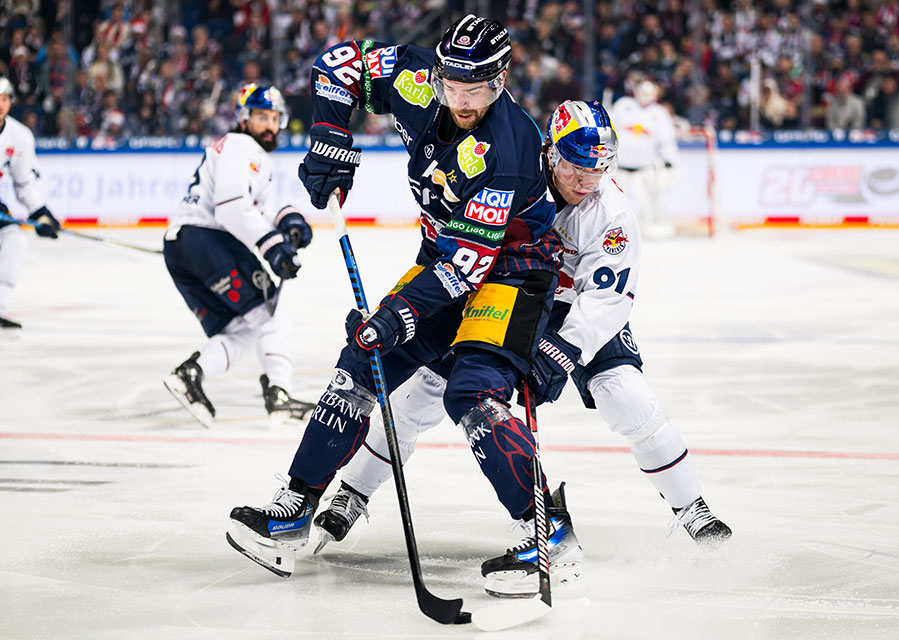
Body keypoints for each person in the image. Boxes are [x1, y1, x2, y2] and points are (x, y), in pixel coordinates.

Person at [312, 100, 732, 597]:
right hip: (499, 296)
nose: (586, 179)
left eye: (598, 168)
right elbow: (456, 241)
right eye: (576, 165)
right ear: (551, 153)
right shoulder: (511, 170)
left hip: (573, 313)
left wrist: (563, 348)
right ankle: (351, 493)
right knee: (421, 393)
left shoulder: (612, 214)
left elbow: (607, 299)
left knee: (625, 394)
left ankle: (692, 507)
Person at [227, 16, 578, 595]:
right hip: (444, 252)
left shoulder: (509, 149)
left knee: (473, 393)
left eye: (478, 91)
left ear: (501, 81)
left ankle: (551, 535)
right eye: (453, 86)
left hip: (512, 271)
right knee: (358, 364)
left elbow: (468, 265)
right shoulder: (418, 77)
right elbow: (340, 64)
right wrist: (329, 133)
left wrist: (396, 317)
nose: (462, 102)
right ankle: (294, 508)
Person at [162, 83, 314, 428]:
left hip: (185, 247)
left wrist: (287, 220)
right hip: (208, 242)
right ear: (243, 118)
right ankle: (279, 395)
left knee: (243, 331)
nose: (269, 125)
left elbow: (259, 206)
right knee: (271, 315)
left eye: (274, 118)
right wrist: (273, 246)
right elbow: (231, 209)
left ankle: (190, 375)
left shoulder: (246, 152)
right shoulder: (241, 145)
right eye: (261, 117)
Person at [0, 76, 62, 330]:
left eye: (4, 99)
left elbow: (24, 182)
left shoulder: (19, 136)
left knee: (14, 239)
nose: (0, 104)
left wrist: (41, 213)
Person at [607, 75, 679, 239]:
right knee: (613, 200)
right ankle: (612, 230)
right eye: (642, 91)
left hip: (645, 167)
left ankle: (650, 228)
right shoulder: (622, 106)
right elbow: (609, 131)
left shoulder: (660, 113)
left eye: (649, 91)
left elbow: (667, 140)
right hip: (619, 167)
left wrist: (670, 161)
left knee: (647, 201)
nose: (645, 95)